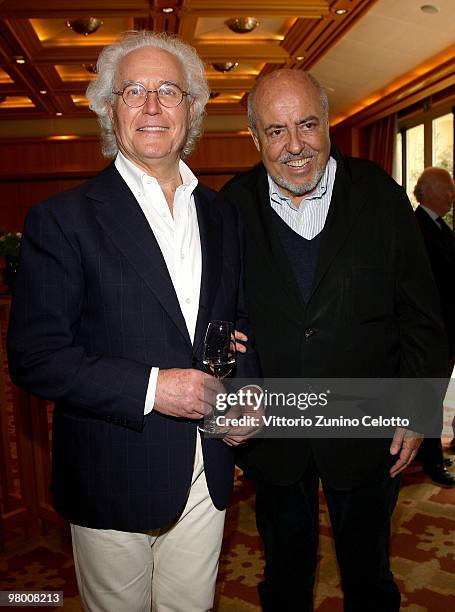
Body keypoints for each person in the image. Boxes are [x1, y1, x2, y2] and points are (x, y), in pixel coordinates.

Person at [7, 31, 258, 612]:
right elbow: (36, 356)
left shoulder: (222, 214)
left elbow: (237, 321)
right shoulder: (62, 219)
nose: (151, 106)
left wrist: (247, 392)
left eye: (168, 91)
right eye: (133, 91)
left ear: (191, 109)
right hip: (112, 466)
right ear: (108, 108)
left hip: (207, 466)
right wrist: (153, 387)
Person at [220, 69, 448, 612]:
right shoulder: (229, 206)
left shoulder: (380, 195)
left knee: (370, 577)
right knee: (283, 578)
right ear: (254, 138)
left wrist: (417, 409)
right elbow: (221, 320)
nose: (295, 146)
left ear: (328, 125)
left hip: (369, 421)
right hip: (274, 429)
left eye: (307, 126)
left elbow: (422, 315)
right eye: (276, 131)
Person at [414, 167, 455, 485]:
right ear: (428, 191)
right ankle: (431, 460)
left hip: (446, 328)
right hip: (432, 332)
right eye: (448, 188)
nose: (452, 195)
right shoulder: (417, 227)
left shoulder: (440, 227)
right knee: (428, 397)